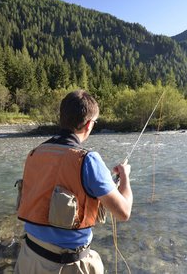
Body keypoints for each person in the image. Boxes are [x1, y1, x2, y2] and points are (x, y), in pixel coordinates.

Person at [15, 90, 133, 274]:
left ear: (62, 118)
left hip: (28, 258)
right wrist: (124, 177)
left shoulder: (34, 154)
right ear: (88, 125)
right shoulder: (88, 160)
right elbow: (123, 213)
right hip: (66, 265)